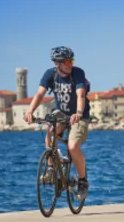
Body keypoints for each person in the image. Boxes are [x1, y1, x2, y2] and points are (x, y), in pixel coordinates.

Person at [24, 46, 91, 198]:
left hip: (79, 115)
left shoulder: (78, 73)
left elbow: (81, 95)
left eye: (71, 60)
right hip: (61, 112)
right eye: (67, 61)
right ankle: (50, 169)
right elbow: (40, 93)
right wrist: (30, 112)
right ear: (57, 63)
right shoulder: (50, 74)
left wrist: (79, 113)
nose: (70, 64)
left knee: (73, 147)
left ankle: (82, 182)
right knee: (49, 131)